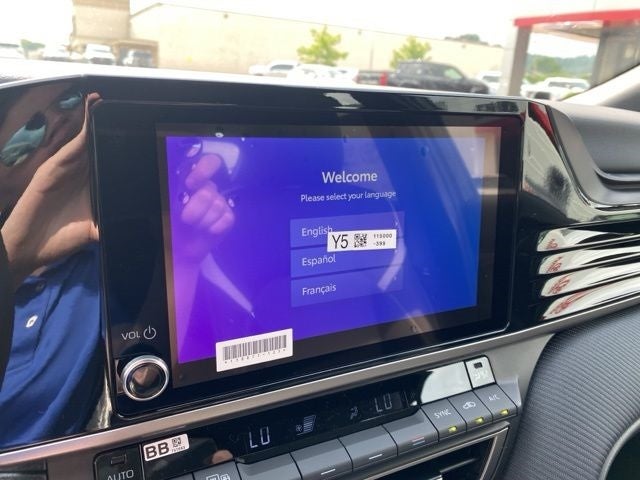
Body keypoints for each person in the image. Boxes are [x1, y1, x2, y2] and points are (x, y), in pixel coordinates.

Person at [0, 85, 102, 447]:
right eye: (30, 131)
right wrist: (13, 260)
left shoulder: (103, 244)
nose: (58, 121)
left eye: (67, 99)